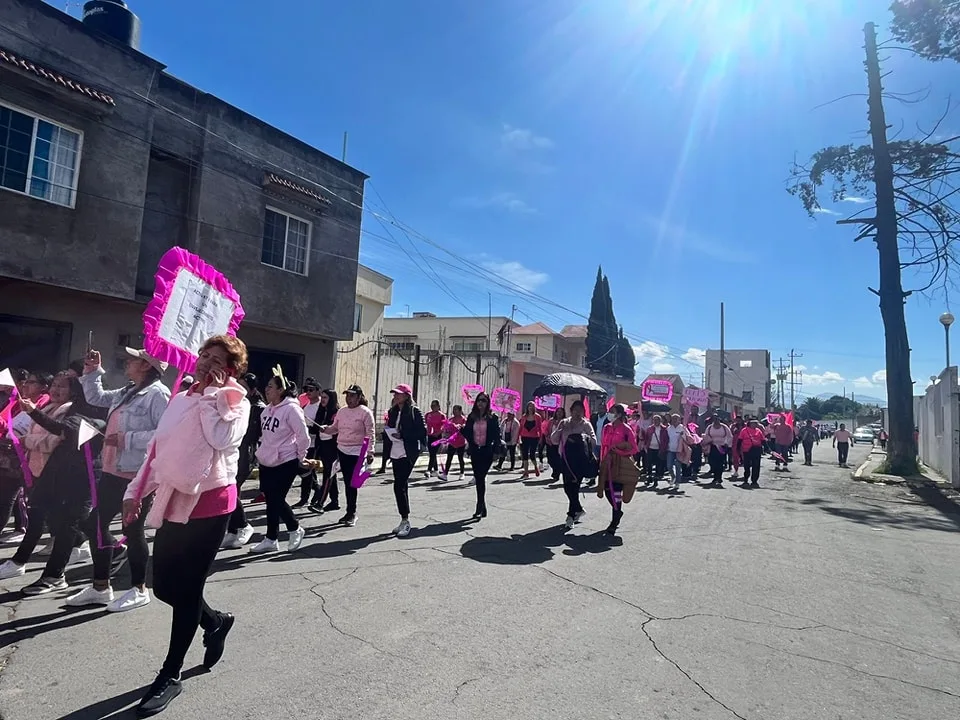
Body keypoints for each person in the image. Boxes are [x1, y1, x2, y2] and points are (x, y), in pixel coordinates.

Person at [122, 335, 251, 717]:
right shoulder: (180, 398)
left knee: (190, 587)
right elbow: (156, 451)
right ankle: (215, 621)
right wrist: (135, 490)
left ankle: (171, 674)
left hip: (211, 504)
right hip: (172, 498)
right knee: (163, 585)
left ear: (230, 370)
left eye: (217, 359)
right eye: (204, 355)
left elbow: (221, 438)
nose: (206, 362)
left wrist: (215, 395)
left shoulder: (234, 401)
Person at [68, 348, 169, 613]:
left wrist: (126, 439)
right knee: (95, 524)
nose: (127, 361)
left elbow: (164, 436)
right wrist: (92, 372)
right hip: (114, 469)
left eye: (134, 359)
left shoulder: (158, 395)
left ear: (147, 366)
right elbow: (96, 397)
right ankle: (101, 586)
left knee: (132, 532)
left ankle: (138, 589)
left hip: (137, 476)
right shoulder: (128, 390)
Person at [0, 373, 105, 591]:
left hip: (63, 474)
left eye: (62, 386)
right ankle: (27, 562)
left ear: (74, 391)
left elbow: (56, 438)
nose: (56, 390)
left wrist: (26, 438)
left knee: (62, 522)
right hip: (41, 470)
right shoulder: (49, 407)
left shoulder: (71, 411)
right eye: (55, 385)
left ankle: (48, 571)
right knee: (52, 520)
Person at [249, 374, 309, 554]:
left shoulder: (291, 409)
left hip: (286, 460)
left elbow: (303, 436)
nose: (266, 390)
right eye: (266, 386)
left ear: (281, 390)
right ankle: (271, 538)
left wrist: (301, 457)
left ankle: (295, 527)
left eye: (270, 386)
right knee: (270, 499)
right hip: (267, 460)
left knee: (276, 498)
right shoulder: (267, 410)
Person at [0, 370, 50, 543]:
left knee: (9, 498)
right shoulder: (17, 402)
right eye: (25, 382)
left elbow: (15, 429)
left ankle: (24, 528)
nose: (25, 385)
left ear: (44, 387)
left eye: (31, 382)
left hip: (21, 458)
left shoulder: (42, 404)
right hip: (7, 453)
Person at [318, 385, 375, 527]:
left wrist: (370, 452)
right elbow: (335, 428)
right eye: (347, 395)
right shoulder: (342, 411)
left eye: (352, 396)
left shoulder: (365, 412)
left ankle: (351, 512)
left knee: (352, 482)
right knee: (346, 481)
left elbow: (370, 433)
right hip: (342, 449)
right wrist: (326, 429)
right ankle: (348, 511)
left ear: (359, 397)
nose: (349, 399)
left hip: (357, 451)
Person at [221, 373, 264, 549]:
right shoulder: (233, 403)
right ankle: (232, 529)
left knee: (233, 489)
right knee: (228, 489)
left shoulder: (257, 407)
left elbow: (260, 434)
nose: (239, 388)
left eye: (244, 386)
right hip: (232, 451)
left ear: (252, 390)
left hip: (246, 452)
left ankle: (244, 525)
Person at [384, 384, 426, 537]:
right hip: (395, 451)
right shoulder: (393, 412)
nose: (396, 396)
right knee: (400, 485)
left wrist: (403, 435)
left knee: (399, 485)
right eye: (394, 394)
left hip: (407, 452)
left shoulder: (414, 412)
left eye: (399, 394)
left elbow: (422, 432)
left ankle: (405, 519)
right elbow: (389, 429)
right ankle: (403, 519)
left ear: (407, 396)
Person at [552, 401, 595, 529]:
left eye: (580, 410)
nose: (578, 412)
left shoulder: (586, 424)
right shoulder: (564, 423)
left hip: (580, 460)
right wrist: (559, 430)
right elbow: (554, 440)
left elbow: (593, 441)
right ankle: (579, 509)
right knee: (567, 487)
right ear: (571, 410)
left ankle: (570, 516)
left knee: (575, 487)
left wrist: (582, 438)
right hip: (565, 459)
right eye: (575, 410)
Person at [597, 404, 638, 536]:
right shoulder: (606, 427)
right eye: (610, 412)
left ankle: (614, 521)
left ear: (619, 414)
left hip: (620, 464)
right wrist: (602, 460)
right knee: (607, 490)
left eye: (612, 412)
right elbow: (603, 445)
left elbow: (634, 448)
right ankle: (617, 511)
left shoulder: (626, 429)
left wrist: (619, 451)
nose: (610, 414)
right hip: (607, 463)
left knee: (616, 492)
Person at [460, 392, 501, 519]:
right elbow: (468, 433)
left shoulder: (493, 418)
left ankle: (479, 505)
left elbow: (496, 436)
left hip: (487, 450)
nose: (480, 403)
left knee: (481, 477)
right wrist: (461, 429)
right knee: (479, 478)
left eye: (483, 400)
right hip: (475, 450)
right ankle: (482, 506)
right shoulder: (472, 417)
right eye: (479, 400)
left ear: (487, 402)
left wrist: (496, 451)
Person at [309, 388, 340, 513]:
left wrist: (327, 429)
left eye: (325, 397)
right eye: (322, 397)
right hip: (322, 444)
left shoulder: (336, 412)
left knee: (328, 474)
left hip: (333, 446)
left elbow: (337, 429)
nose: (322, 400)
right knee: (330, 473)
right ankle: (334, 500)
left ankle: (320, 502)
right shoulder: (321, 411)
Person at [293, 379, 323, 508]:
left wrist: (311, 428)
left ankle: (307, 496)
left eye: (311, 390)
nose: (308, 393)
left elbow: (321, 425)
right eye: (306, 390)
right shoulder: (305, 406)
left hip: (315, 443)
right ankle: (316, 490)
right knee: (305, 470)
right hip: (304, 442)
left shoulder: (321, 407)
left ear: (318, 391)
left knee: (307, 469)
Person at [702, 416, 733, 487]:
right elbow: (706, 435)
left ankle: (718, 477)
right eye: (714, 419)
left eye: (717, 419)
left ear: (719, 420)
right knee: (712, 462)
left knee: (720, 463)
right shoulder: (710, 427)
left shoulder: (724, 427)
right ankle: (715, 475)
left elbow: (729, 436)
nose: (716, 421)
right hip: (712, 446)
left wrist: (727, 444)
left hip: (722, 447)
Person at [439, 405, 467, 481]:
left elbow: (465, 428)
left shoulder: (464, 419)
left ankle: (462, 473)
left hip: (461, 442)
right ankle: (445, 474)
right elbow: (446, 429)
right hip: (452, 442)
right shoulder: (451, 419)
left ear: (460, 411)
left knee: (460, 458)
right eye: (453, 410)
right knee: (449, 458)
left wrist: (461, 426)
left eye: (456, 410)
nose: (454, 411)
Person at [665, 414, 692, 493]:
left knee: (677, 466)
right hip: (670, 450)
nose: (674, 420)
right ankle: (673, 477)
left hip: (680, 451)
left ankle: (677, 482)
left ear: (679, 420)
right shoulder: (669, 428)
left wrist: (682, 435)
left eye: (676, 419)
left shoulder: (682, 428)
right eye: (673, 419)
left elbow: (688, 438)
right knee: (669, 466)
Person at [642, 415, 669, 489]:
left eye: (657, 420)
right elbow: (646, 437)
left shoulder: (664, 429)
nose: (655, 421)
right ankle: (649, 476)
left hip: (659, 449)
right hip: (650, 448)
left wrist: (664, 449)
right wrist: (645, 446)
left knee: (658, 464)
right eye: (654, 420)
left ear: (660, 421)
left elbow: (666, 440)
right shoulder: (650, 428)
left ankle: (656, 478)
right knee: (649, 463)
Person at [518, 402, 542, 479]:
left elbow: (540, 428)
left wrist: (541, 438)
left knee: (532, 455)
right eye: (529, 406)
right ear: (527, 408)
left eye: (532, 406)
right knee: (524, 454)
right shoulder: (524, 417)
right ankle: (526, 472)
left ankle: (535, 467)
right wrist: (517, 438)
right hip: (524, 437)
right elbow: (521, 427)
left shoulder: (537, 417)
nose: (530, 408)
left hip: (534, 437)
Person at [739, 419, 765, 487]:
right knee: (747, 466)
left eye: (756, 423)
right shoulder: (744, 430)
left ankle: (754, 481)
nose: (755, 425)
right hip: (747, 450)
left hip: (756, 450)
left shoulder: (758, 431)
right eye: (754, 423)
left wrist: (768, 449)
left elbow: (763, 440)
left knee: (756, 466)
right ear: (749, 424)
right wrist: (738, 449)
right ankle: (746, 479)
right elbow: (740, 440)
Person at [423, 400, 446, 478]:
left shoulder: (442, 415)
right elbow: (426, 424)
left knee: (433, 452)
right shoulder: (428, 415)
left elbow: (444, 426)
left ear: (438, 406)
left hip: (437, 436)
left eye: (435, 405)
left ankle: (429, 470)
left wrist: (438, 432)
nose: (433, 407)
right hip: (430, 435)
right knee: (432, 453)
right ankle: (436, 470)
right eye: (432, 405)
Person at [544, 407, 566, 483]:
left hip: (559, 444)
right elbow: (546, 430)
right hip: (550, 442)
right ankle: (556, 470)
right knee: (550, 459)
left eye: (561, 412)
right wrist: (547, 437)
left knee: (558, 460)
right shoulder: (551, 421)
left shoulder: (564, 422)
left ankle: (556, 473)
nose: (559, 413)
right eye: (558, 412)